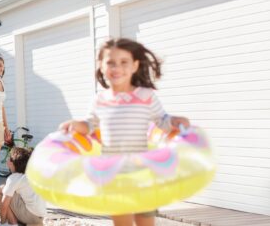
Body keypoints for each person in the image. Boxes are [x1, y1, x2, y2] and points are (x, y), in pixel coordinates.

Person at [58, 38, 190, 226]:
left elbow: (162, 121)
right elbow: (90, 125)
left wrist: (174, 121)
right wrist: (75, 124)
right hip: (115, 175)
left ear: (135, 65)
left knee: (145, 221)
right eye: (110, 62)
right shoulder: (100, 99)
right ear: (101, 66)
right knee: (122, 223)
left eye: (124, 62)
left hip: (142, 173)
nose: (116, 67)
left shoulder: (145, 96)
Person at [0, 147, 46, 226]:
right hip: (39, 217)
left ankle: (11, 224)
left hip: (29, 216)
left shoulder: (14, 178)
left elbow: (4, 202)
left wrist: (2, 222)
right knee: (4, 190)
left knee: (1, 189)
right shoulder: (28, 176)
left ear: (13, 163)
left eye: (9, 157)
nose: (7, 159)